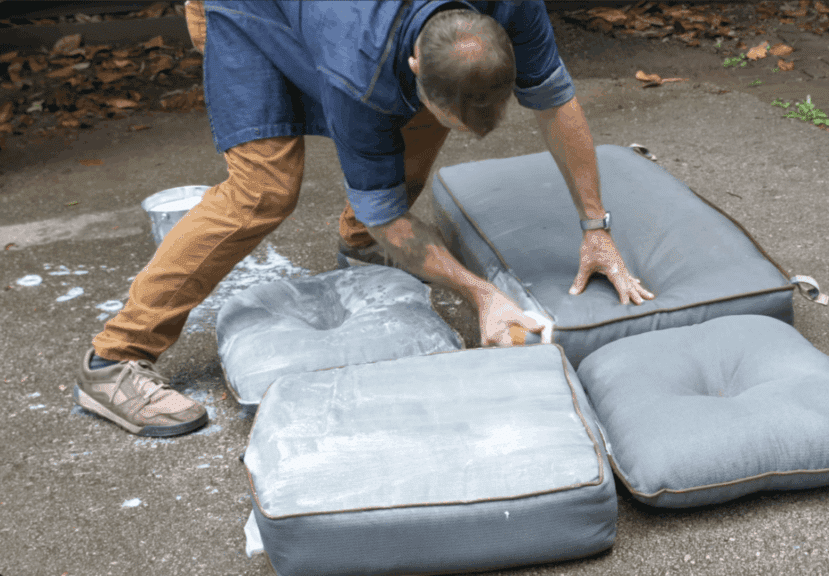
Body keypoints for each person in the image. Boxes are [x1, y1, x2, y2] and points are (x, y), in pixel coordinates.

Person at [73, 0, 655, 437]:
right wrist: (482, 295)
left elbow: (554, 100)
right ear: (412, 61)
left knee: (421, 119)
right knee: (264, 189)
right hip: (249, 11)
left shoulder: (512, 7)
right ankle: (114, 359)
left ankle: (361, 251)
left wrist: (594, 226)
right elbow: (387, 209)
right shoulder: (361, 69)